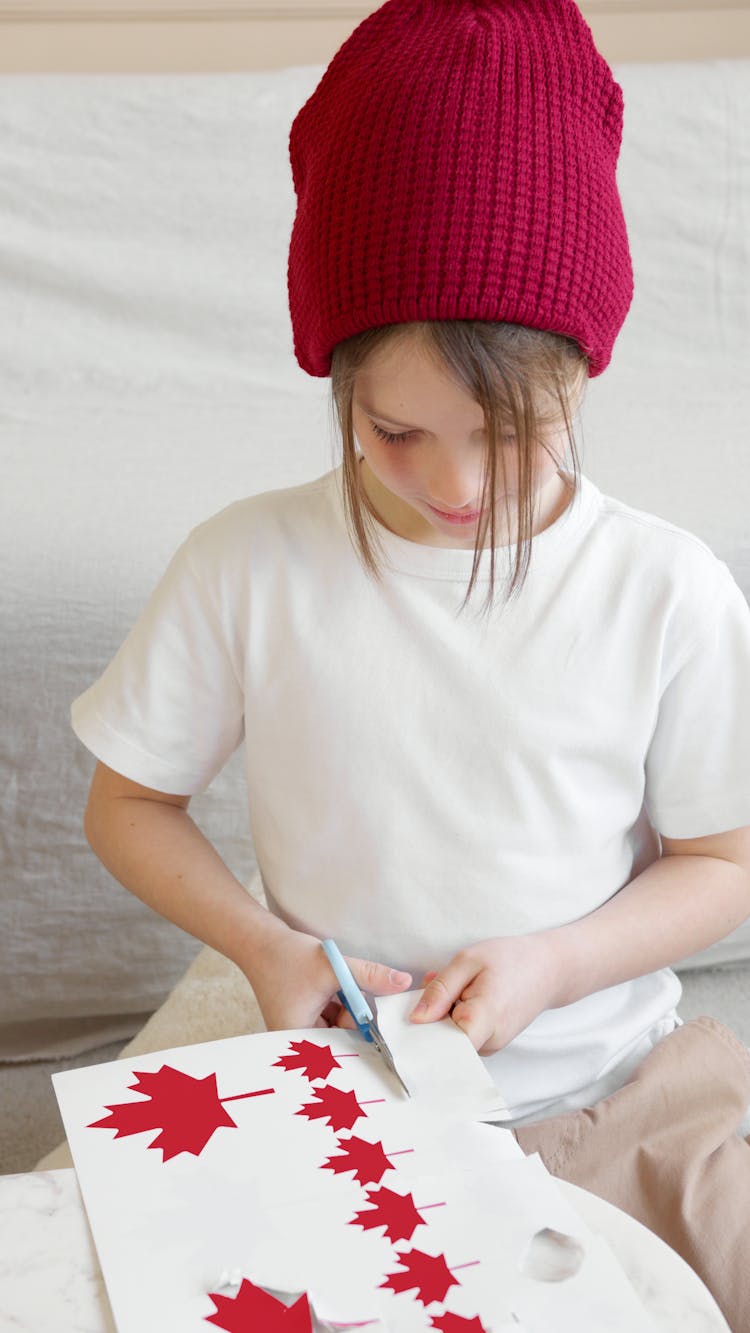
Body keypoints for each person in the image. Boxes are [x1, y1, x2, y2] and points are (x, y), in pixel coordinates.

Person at [74, 0, 750, 1326]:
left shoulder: (661, 585)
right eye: (396, 432)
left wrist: (556, 963)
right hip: (349, 1101)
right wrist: (267, 947)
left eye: (511, 433)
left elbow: (722, 859)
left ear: (584, 370)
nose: (454, 486)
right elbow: (127, 803)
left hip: (625, 1089)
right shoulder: (248, 563)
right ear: (334, 383)